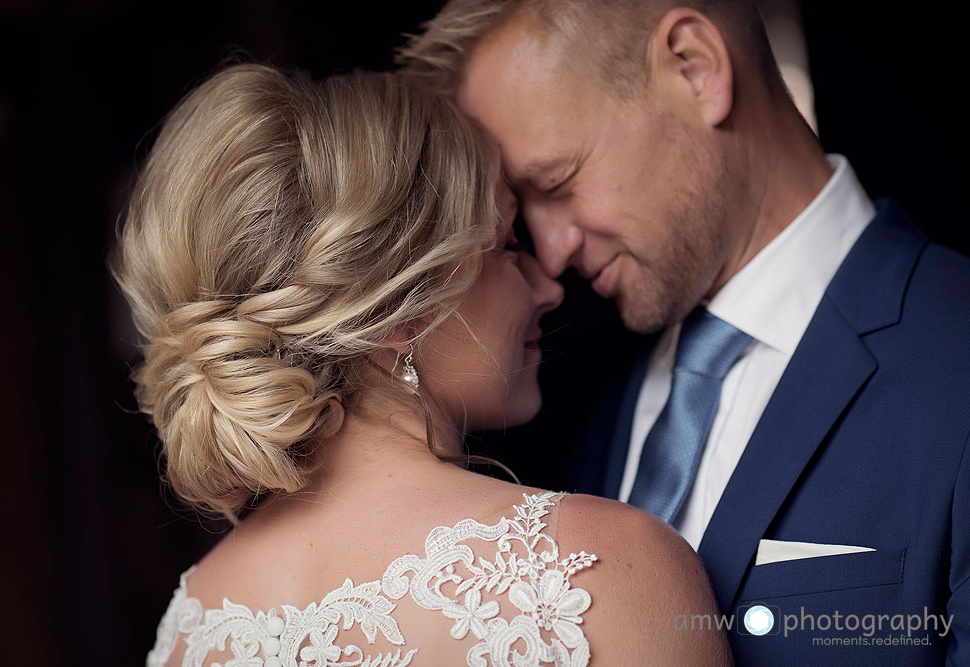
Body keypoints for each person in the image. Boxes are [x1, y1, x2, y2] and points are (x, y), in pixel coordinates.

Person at [399, 0, 970, 664]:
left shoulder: (954, 352)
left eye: (556, 180)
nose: (550, 255)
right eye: (522, 211)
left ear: (695, 68)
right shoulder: (570, 390)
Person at [110, 63, 732, 666]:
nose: (549, 287)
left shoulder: (190, 625)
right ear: (400, 306)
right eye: (510, 246)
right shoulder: (590, 575)